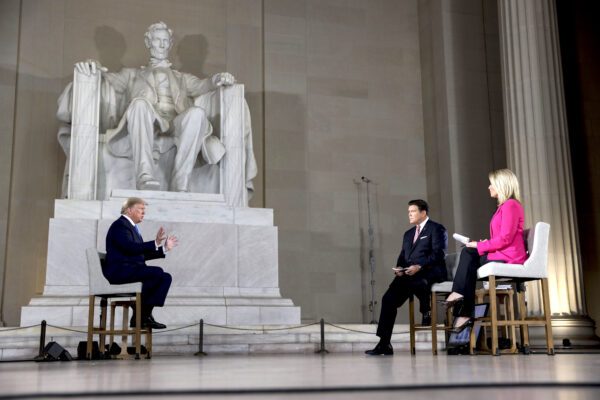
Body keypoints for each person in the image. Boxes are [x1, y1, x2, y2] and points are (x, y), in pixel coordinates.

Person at [67, 21, 256, 193]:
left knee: (197, 114)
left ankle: (180, 180)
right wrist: (93, 66)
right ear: (148, 43)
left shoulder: (182, 78)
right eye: (157, 40)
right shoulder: (131, 75)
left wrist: (218, 79)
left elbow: (204, 85)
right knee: (139, 104)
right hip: (147, 121)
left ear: (170, 43)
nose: (162, 45)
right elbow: (107, 79)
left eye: (166, 41)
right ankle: (145, 175)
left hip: (175, 125)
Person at [444, 168, 527, 332]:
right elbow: (502, 237)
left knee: (469, 253)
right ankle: (463, 307)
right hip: (501, 252)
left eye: (492, 184)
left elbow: (505, 239)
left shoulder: (511, 205)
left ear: (501, 185)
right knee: (468, 253)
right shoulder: (505, 206)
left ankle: (461, 301)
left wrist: (480, 246)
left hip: (509, 257)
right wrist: (482, 244)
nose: (489, 187)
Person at [366, 199, 447, 356]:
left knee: (418, 279)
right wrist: (400, 269)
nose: (409, 214)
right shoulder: (408, 234)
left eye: (413, 211)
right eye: (408, 212)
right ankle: (384, 344)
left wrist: (420, 266)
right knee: (388, 299)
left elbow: (439, 254)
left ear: (423, 212)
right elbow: (403, 256)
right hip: (409, 274)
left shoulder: (437, 229)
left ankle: (425, 309)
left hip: (430, 271)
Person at [104, 197, 178, 329]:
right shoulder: (120, 225)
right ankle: (141, 316)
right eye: (141, 209)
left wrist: (164, 248)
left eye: (144, 210)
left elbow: (139, 254)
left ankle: (143, 315)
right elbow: (130, 248)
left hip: (130, 270)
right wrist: (154, 243)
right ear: (129, 210)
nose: (143, 213)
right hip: (119, 271)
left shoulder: (132, 228)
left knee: (166, 277)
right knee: (157, 273)